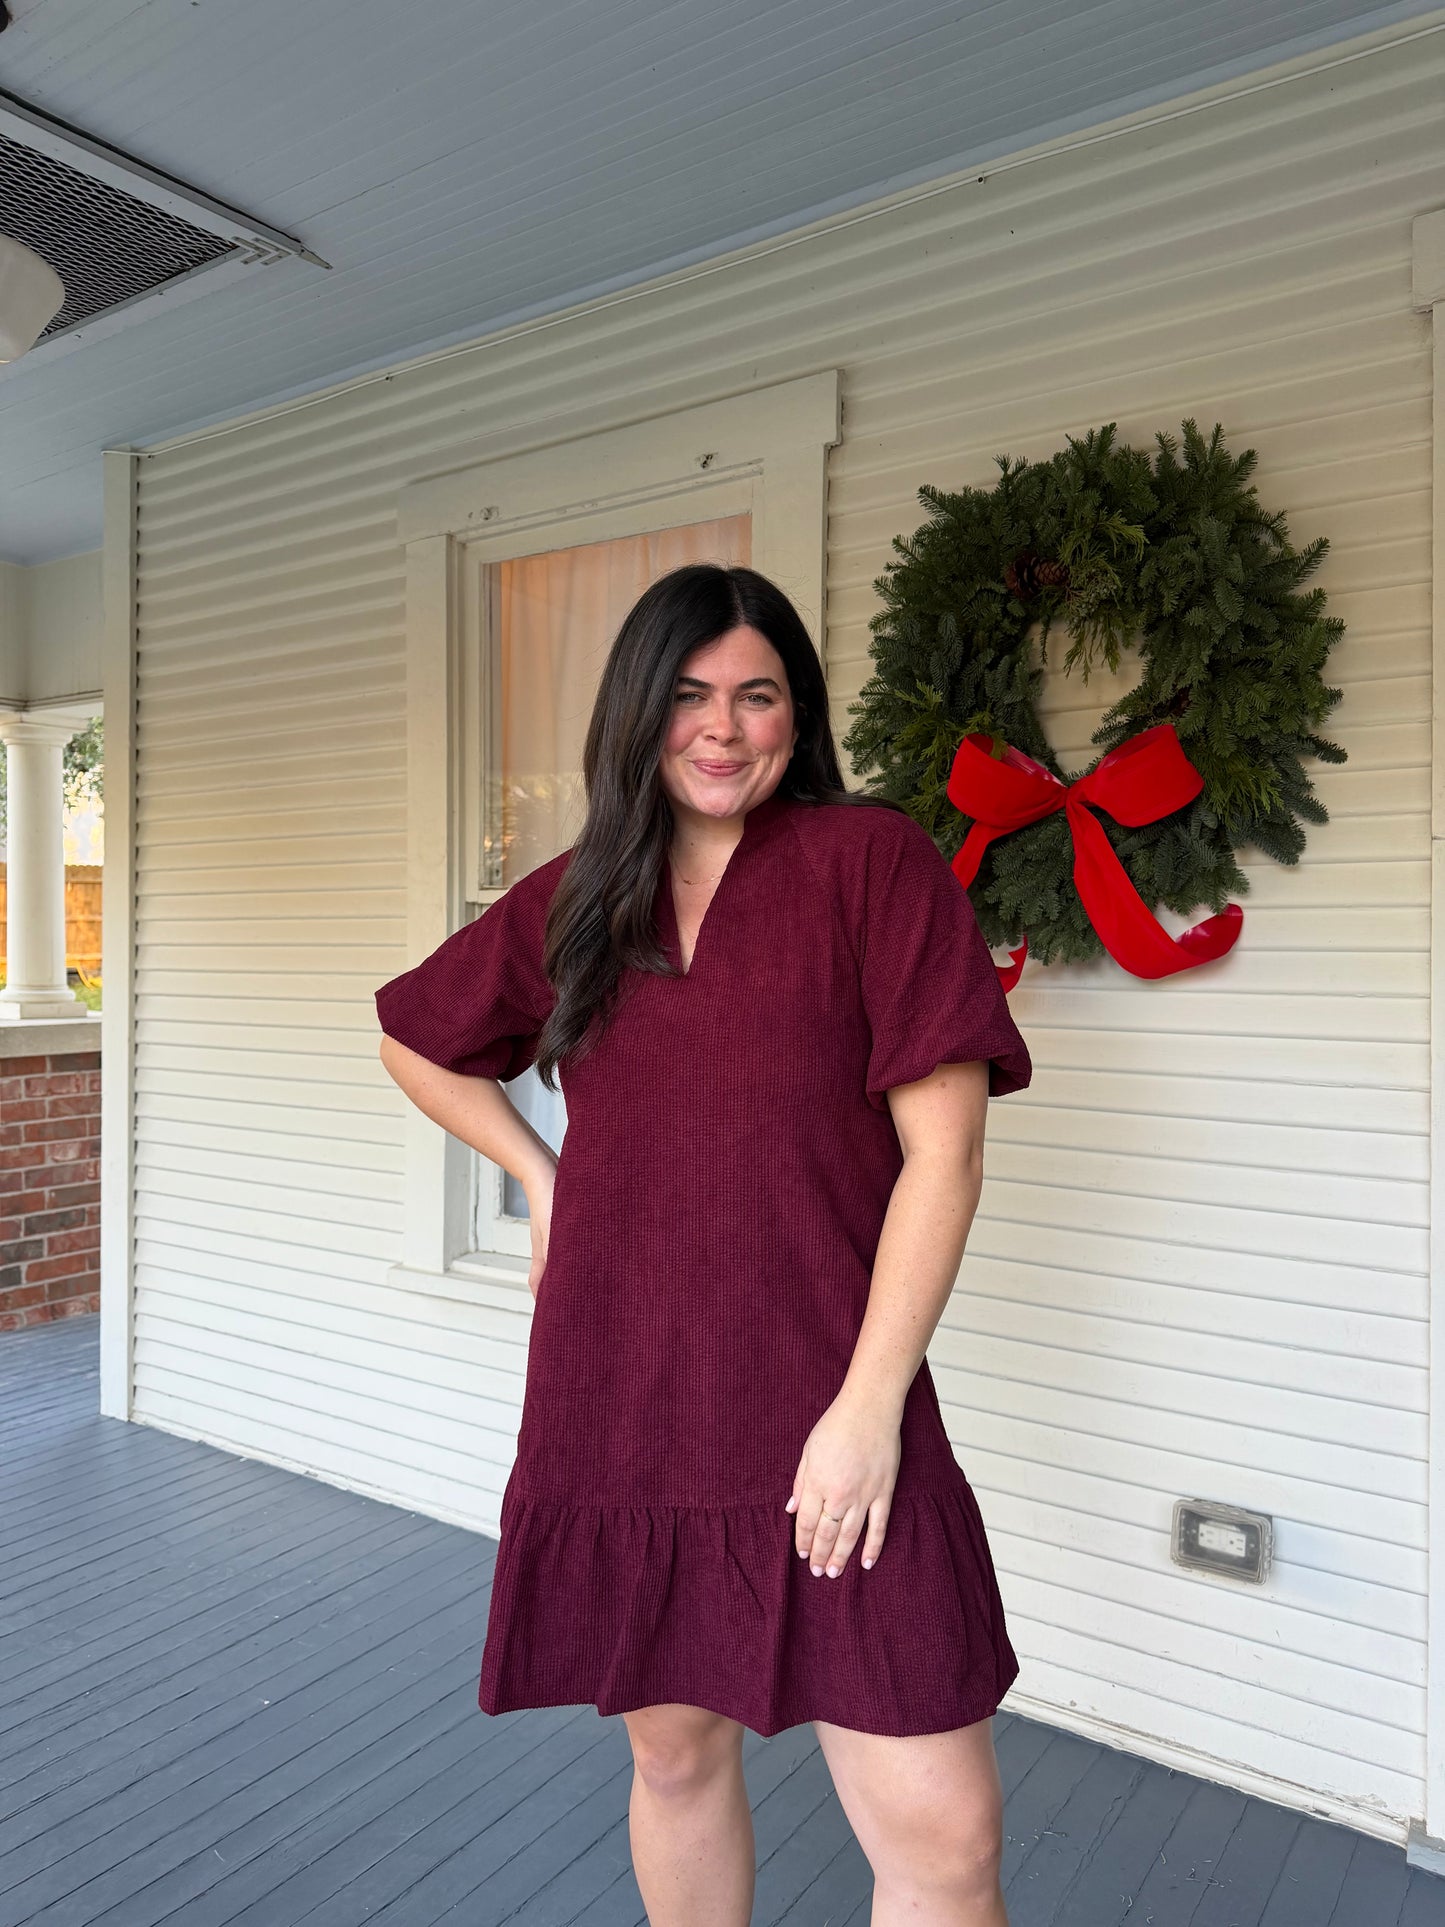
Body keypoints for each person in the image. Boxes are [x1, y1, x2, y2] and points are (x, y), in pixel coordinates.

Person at [375, 562, 1032, 1927]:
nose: (722, 728)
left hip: (828, 1400)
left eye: (756, 695)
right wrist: (539, 1177)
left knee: (944, 1836)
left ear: (797, 714)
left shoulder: (870, 865)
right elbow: (415, 1035)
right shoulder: (579, 900)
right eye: (687, 696)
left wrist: (865, 1412)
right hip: (625, 1397)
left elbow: (944, 1157)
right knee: (673, 1757)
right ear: (637, 713)